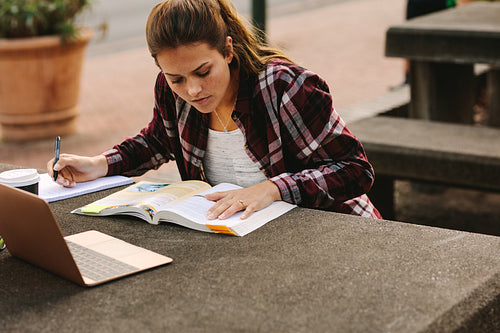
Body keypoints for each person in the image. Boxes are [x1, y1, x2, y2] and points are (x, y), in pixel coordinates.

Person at [47, 0, 381, 220]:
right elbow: (157, 141)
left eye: (203, 72)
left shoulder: (285, 87)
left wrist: (273, 189)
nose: (192, 90)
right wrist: (97, 165)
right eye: (176, 78)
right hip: (247, 239)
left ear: (228, 50)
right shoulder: (170, 92)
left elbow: (355, 170)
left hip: (337, 231)